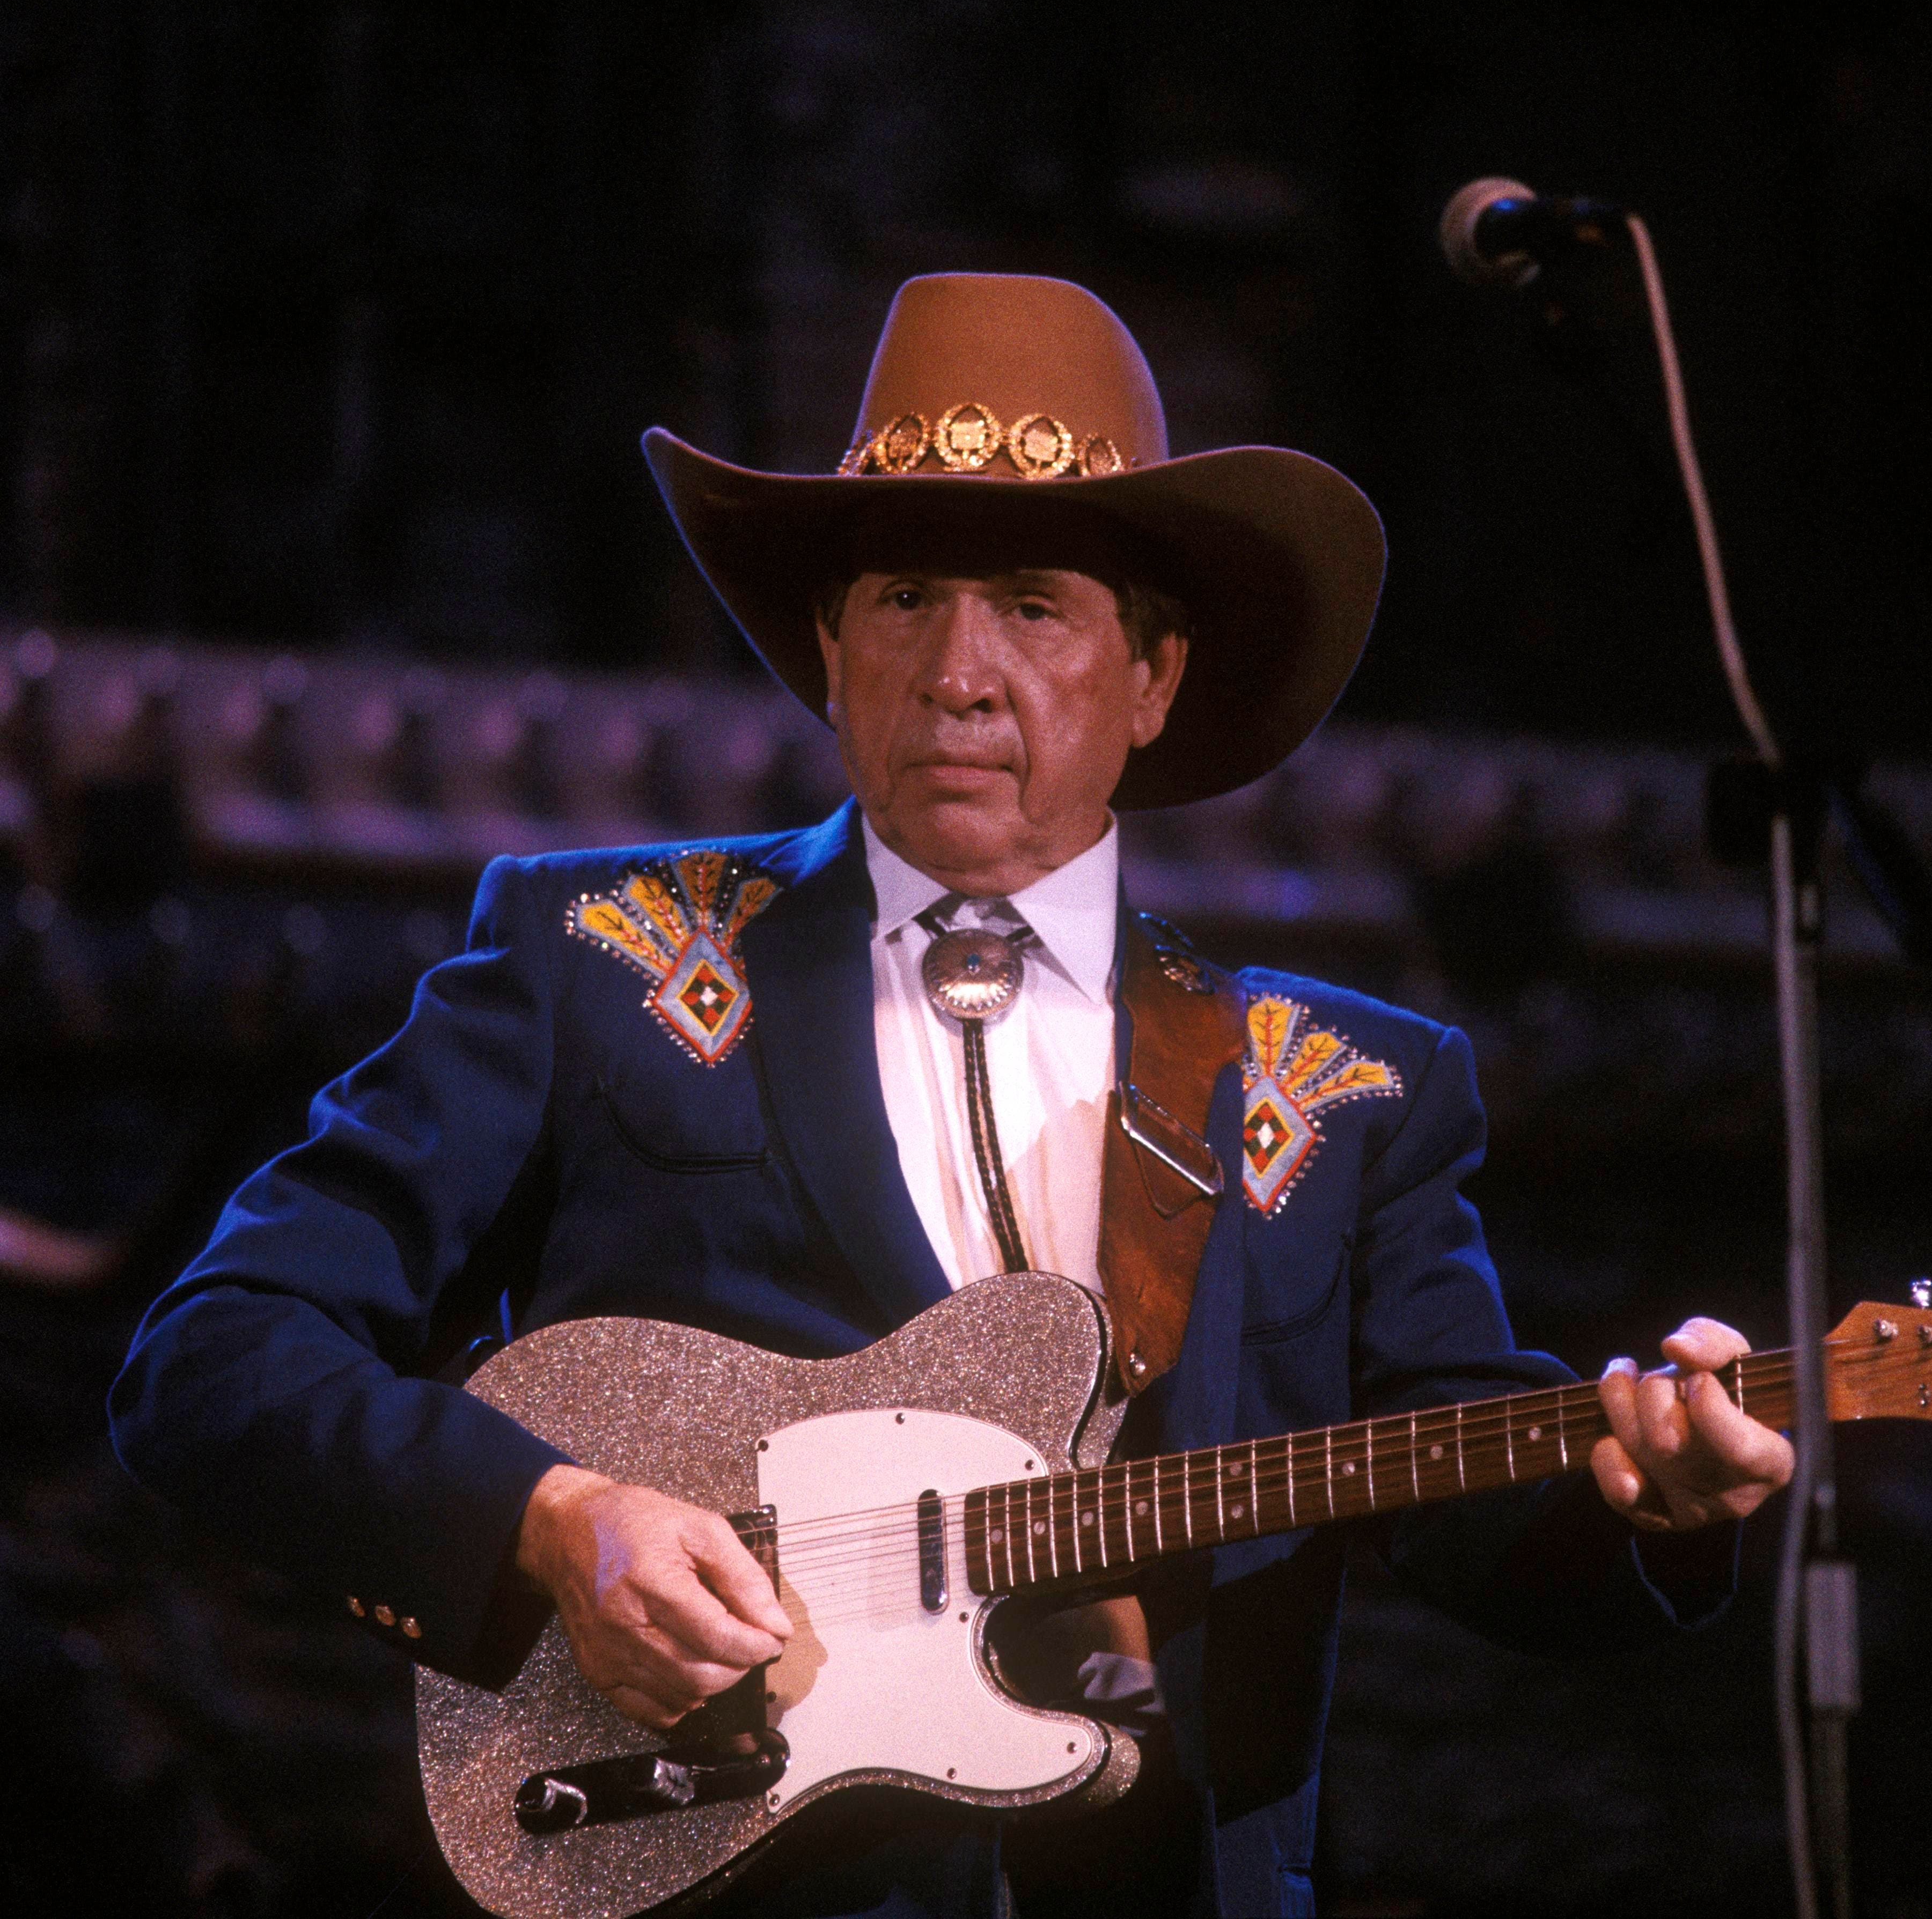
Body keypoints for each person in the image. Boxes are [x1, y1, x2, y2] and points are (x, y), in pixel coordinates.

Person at [109, 273, 1791, 1918]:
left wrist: (1648, 1492)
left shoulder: (1344, 1088)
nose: (959, 671)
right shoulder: (602, 959)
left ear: (1154, 678)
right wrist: (550, 1519)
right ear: (831, 650)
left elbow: (1489, 1533)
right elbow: (214, 1354)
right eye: (907, 597)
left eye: (1034, 606)